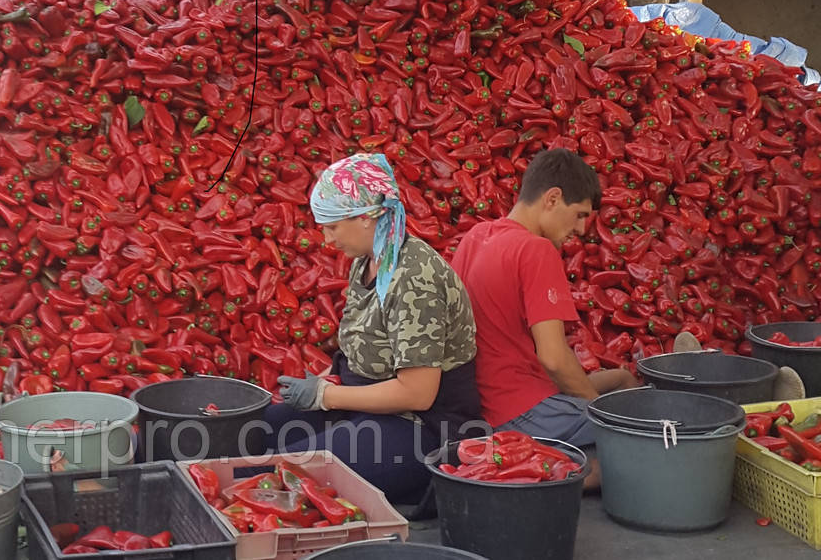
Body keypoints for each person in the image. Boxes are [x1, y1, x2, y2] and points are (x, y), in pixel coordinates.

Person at [268, 153, 481, 505]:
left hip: (421, 429)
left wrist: (325, 396)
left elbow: (417, 393)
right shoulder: (367, 261)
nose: (326, 239)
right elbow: (360, 345)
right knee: (258, 434)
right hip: (367, 406)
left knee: (281, 472)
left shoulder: (414, 277)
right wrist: (320, 384)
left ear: (368, 216)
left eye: (332, 226)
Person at [449, 148, 636, 490]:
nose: (580, 229)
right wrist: (600, 412)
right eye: (579, 215)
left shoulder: (476, 236)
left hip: (482, 407)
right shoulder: (536, 250)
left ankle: (542, 463)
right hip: (525, 412)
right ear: (552, 198)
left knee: (623, 379)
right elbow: (553, 359)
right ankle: (560, 475)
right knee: (643, 436)